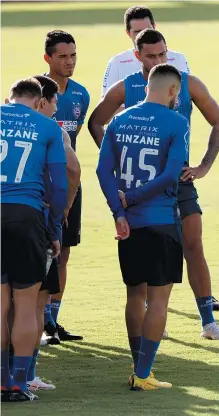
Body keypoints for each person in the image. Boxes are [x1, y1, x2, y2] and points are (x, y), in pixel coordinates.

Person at [89, 29, 219, 341]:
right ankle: (155, 322)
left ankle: (208, 321)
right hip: (140, 186)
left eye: (162, 54)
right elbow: (96, 121)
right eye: (150, 55)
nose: (157, 60)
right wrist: (117, 158)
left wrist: (204, 166)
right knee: (149, 252)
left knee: (193, 245)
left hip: (178, 179)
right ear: (137, 55)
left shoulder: (187, 82)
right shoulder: (127, 87)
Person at [97, 64, 189, 390]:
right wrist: (134, 198)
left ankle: (137, 367)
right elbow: (169, 175)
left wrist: (119, 211)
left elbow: (102, 171)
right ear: (173, 91)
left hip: (130, 225)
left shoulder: (119, 120)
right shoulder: (177, 123)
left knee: (135, 294)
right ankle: (144, 373)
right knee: (159, 300)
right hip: (162, 220)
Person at [1, 78, 68, 401]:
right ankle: (18, 384)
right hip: (26, 216)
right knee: (26, 305)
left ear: (8, 98)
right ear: (39, 100)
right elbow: (58, 186)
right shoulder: (48, 128)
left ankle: (0, 380)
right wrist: (53, 229)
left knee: (0, 306)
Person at [25, 75, 81, 392]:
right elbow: (72, 171)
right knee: (34, 303)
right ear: (43, 101)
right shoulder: (53, 133)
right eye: (55, 100)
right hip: (39, 222)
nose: (58, 106)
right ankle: (26, 374)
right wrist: (63, 211)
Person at [43, 30, 90, 342]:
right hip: (41, 185)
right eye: (62, 56)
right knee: (42, 254)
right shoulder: (36, 91)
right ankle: (39, 320)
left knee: (64, 254)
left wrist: (70, 194)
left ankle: (53, 322)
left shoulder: (80, 95)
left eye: (73, 55)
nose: (69, 61)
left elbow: (73, 141)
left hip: (70, 182)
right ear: (47, 58)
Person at [102, 5, 190, 98]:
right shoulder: (117, 63)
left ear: (154, 27)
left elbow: (186, 98)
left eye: (147, 29)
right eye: (137, 32)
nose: (144, 35)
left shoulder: (178, 59)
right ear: (128, 33)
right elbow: (107, 103)